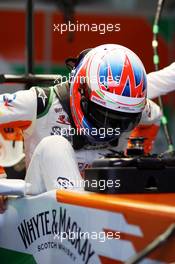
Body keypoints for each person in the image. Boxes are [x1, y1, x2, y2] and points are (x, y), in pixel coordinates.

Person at [0, 44, 165, 210]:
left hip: (103, 209)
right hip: (38, 216)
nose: (111, 126)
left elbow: (155, 117)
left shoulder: (135, 109)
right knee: (54, 146)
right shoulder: (41, 103)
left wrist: (135, 155)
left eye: (123, 121)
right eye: (103, 115)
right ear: (81, 91)